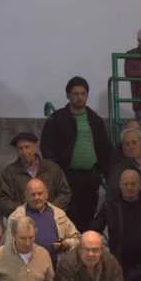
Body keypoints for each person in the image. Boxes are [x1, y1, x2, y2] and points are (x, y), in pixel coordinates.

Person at [41, 76, 113, 231]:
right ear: (68, 95)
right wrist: (56, 172)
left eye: (83, 94)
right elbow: (47, 147)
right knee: (65, 220)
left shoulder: (95, 120)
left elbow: (104, 149)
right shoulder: (57, 119)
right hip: (66, 177)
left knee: (87, 220)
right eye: (76, 94)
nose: (80, 97)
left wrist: (103, 173)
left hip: (90, 178)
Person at [0, 132, 72, 219]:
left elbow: (65, 193)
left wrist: (50, 209)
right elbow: (2, 199)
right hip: (22, 220)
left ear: (35, 147)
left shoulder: (51, 168)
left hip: (51, 218)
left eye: (27, 147)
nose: (24, 152)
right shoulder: (10, 172)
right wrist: (22, 210)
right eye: (20, 148)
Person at [5, 178, 81, 264]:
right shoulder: (16, 217)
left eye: (40, 194)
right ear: (26, 196)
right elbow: (8, 248)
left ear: (46, 194)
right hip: (26, 267)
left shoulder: (59, 214)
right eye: (33, 194)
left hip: (57, 266)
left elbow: (77, 239)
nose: (37, 197)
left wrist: (65, 244)